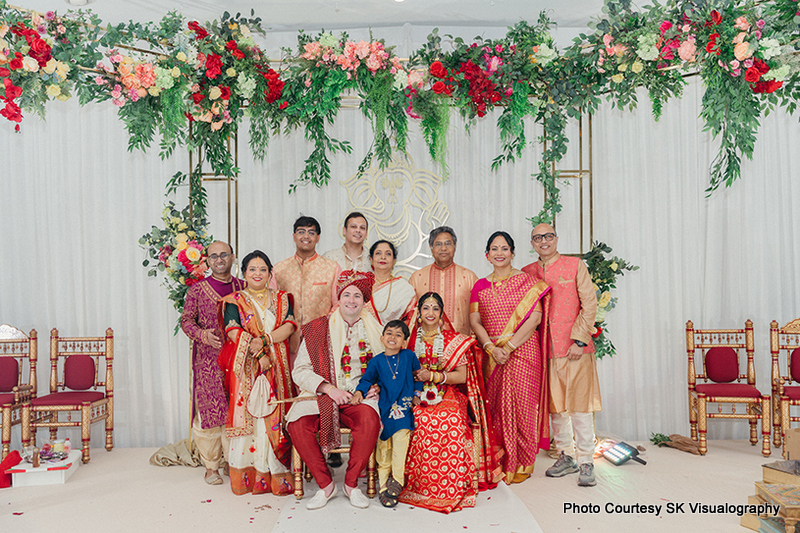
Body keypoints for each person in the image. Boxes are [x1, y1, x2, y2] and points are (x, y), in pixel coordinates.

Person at [286, 270, 383, 510]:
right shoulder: (319, 328)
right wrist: (329, 388)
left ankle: (351, 485)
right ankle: (325, 484)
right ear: (338, 299)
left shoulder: (378, 331)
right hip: (322, 393)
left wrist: (378, 386)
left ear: (365, 300)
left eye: (357, 296)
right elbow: (300, 371)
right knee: (298, 424)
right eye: (346, 294)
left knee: (370, 420)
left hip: (359, 396)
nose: (351, 300)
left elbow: (389, 366)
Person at [398, 292, 502, 514]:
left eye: (436, 308)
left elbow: (463, 376)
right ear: (418, 312)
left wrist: (434, 377)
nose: (430, 313)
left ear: (442, 313)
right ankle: (416, 484)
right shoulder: (407, 340)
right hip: (414, 393)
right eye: (426, 308)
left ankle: (450, 484)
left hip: (447, 392)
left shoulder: (452, 340)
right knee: (417, 417)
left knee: (450, 418)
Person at [522, 223, 601, 487]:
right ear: (532, 243)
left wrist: (579, 339)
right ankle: (566, 456)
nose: (543, 241)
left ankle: (587, 460)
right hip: (545, 350)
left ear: (556, 238)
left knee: (579, 406)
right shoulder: (527, 272)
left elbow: (589, 303)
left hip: (574, 347)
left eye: (547, 236)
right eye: (537, 238)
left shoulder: (574, 265)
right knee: (556, 408)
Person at [470, 231, 551, 485]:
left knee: (524, 407)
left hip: (524, 352)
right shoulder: (480, 285)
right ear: (487, 255)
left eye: (504, 248)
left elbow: (535, 317)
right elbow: (475, 321)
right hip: (493, 355)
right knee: (496, 410)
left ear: (513, 253)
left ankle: (524, 461)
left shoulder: (527, 282)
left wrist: (511, 346)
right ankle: (502, 461)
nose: (500, 253)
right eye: (494, 249)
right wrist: (491, 349)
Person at [217, 250, 296, 495]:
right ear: (244, 274)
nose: (258, 274)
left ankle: (276, 473)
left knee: (275, 414)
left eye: (263, 269)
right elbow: (233, 330)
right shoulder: (233, 300)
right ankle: (250, 476)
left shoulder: (283, 298)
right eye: (252, 269)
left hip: (278, 366)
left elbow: (290, 326)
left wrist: (264, 340)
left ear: (270, 273)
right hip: (249, 368)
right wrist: (259, 354)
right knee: (252, 417)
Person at [180, 240, 245, 485]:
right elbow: (186, 321)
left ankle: (233, 460)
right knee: (210, 412)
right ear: (207, 260)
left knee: (236, 409)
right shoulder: (197, 290)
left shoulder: (244, 286)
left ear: (233, 257)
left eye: (224, 255)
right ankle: (211, 466)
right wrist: (201, 335)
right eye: (214, 256)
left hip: (239, 359)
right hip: (208, 360)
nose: (219, 259)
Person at [351, 320, 422, 508]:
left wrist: (416, 394)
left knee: (400, 443)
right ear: (382, 338)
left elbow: (418, 376)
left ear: (404, 342)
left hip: (403, 408)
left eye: (398, 335)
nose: (393, 337)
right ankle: (383, 486)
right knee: (383, 450)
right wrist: (359, 392)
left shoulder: (409, 356)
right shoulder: (376, 361)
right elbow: (366, 380)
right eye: (389, 333)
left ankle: (397, 481)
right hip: (384, 410)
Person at [273, 215, 340, 353]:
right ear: (294, 236)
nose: (306, 236)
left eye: (311, 232)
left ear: (318, 238)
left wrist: (323, 326)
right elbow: (271, 306)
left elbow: (338, 304)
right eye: (301, 231)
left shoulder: (331, 268)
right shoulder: (279, 269)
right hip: (286, 342)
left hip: (320, 341)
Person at [409, 226, 478, 336]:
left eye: (448, 243)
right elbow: (409, 317)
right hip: (425, 345)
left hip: (460, 345)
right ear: (431, 248)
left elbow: (478, 315)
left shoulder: (470, 277)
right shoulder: (417, 278)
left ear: (455, 247)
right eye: (438, 244)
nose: (443, 248)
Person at [369, 240, 416, 325]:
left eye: (388, 254)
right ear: (371, 259)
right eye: (378, 253)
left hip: (393, 336)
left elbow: (410, 320)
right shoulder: (361, 285)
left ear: (394, 261)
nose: (383, 257)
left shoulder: (403, 288)